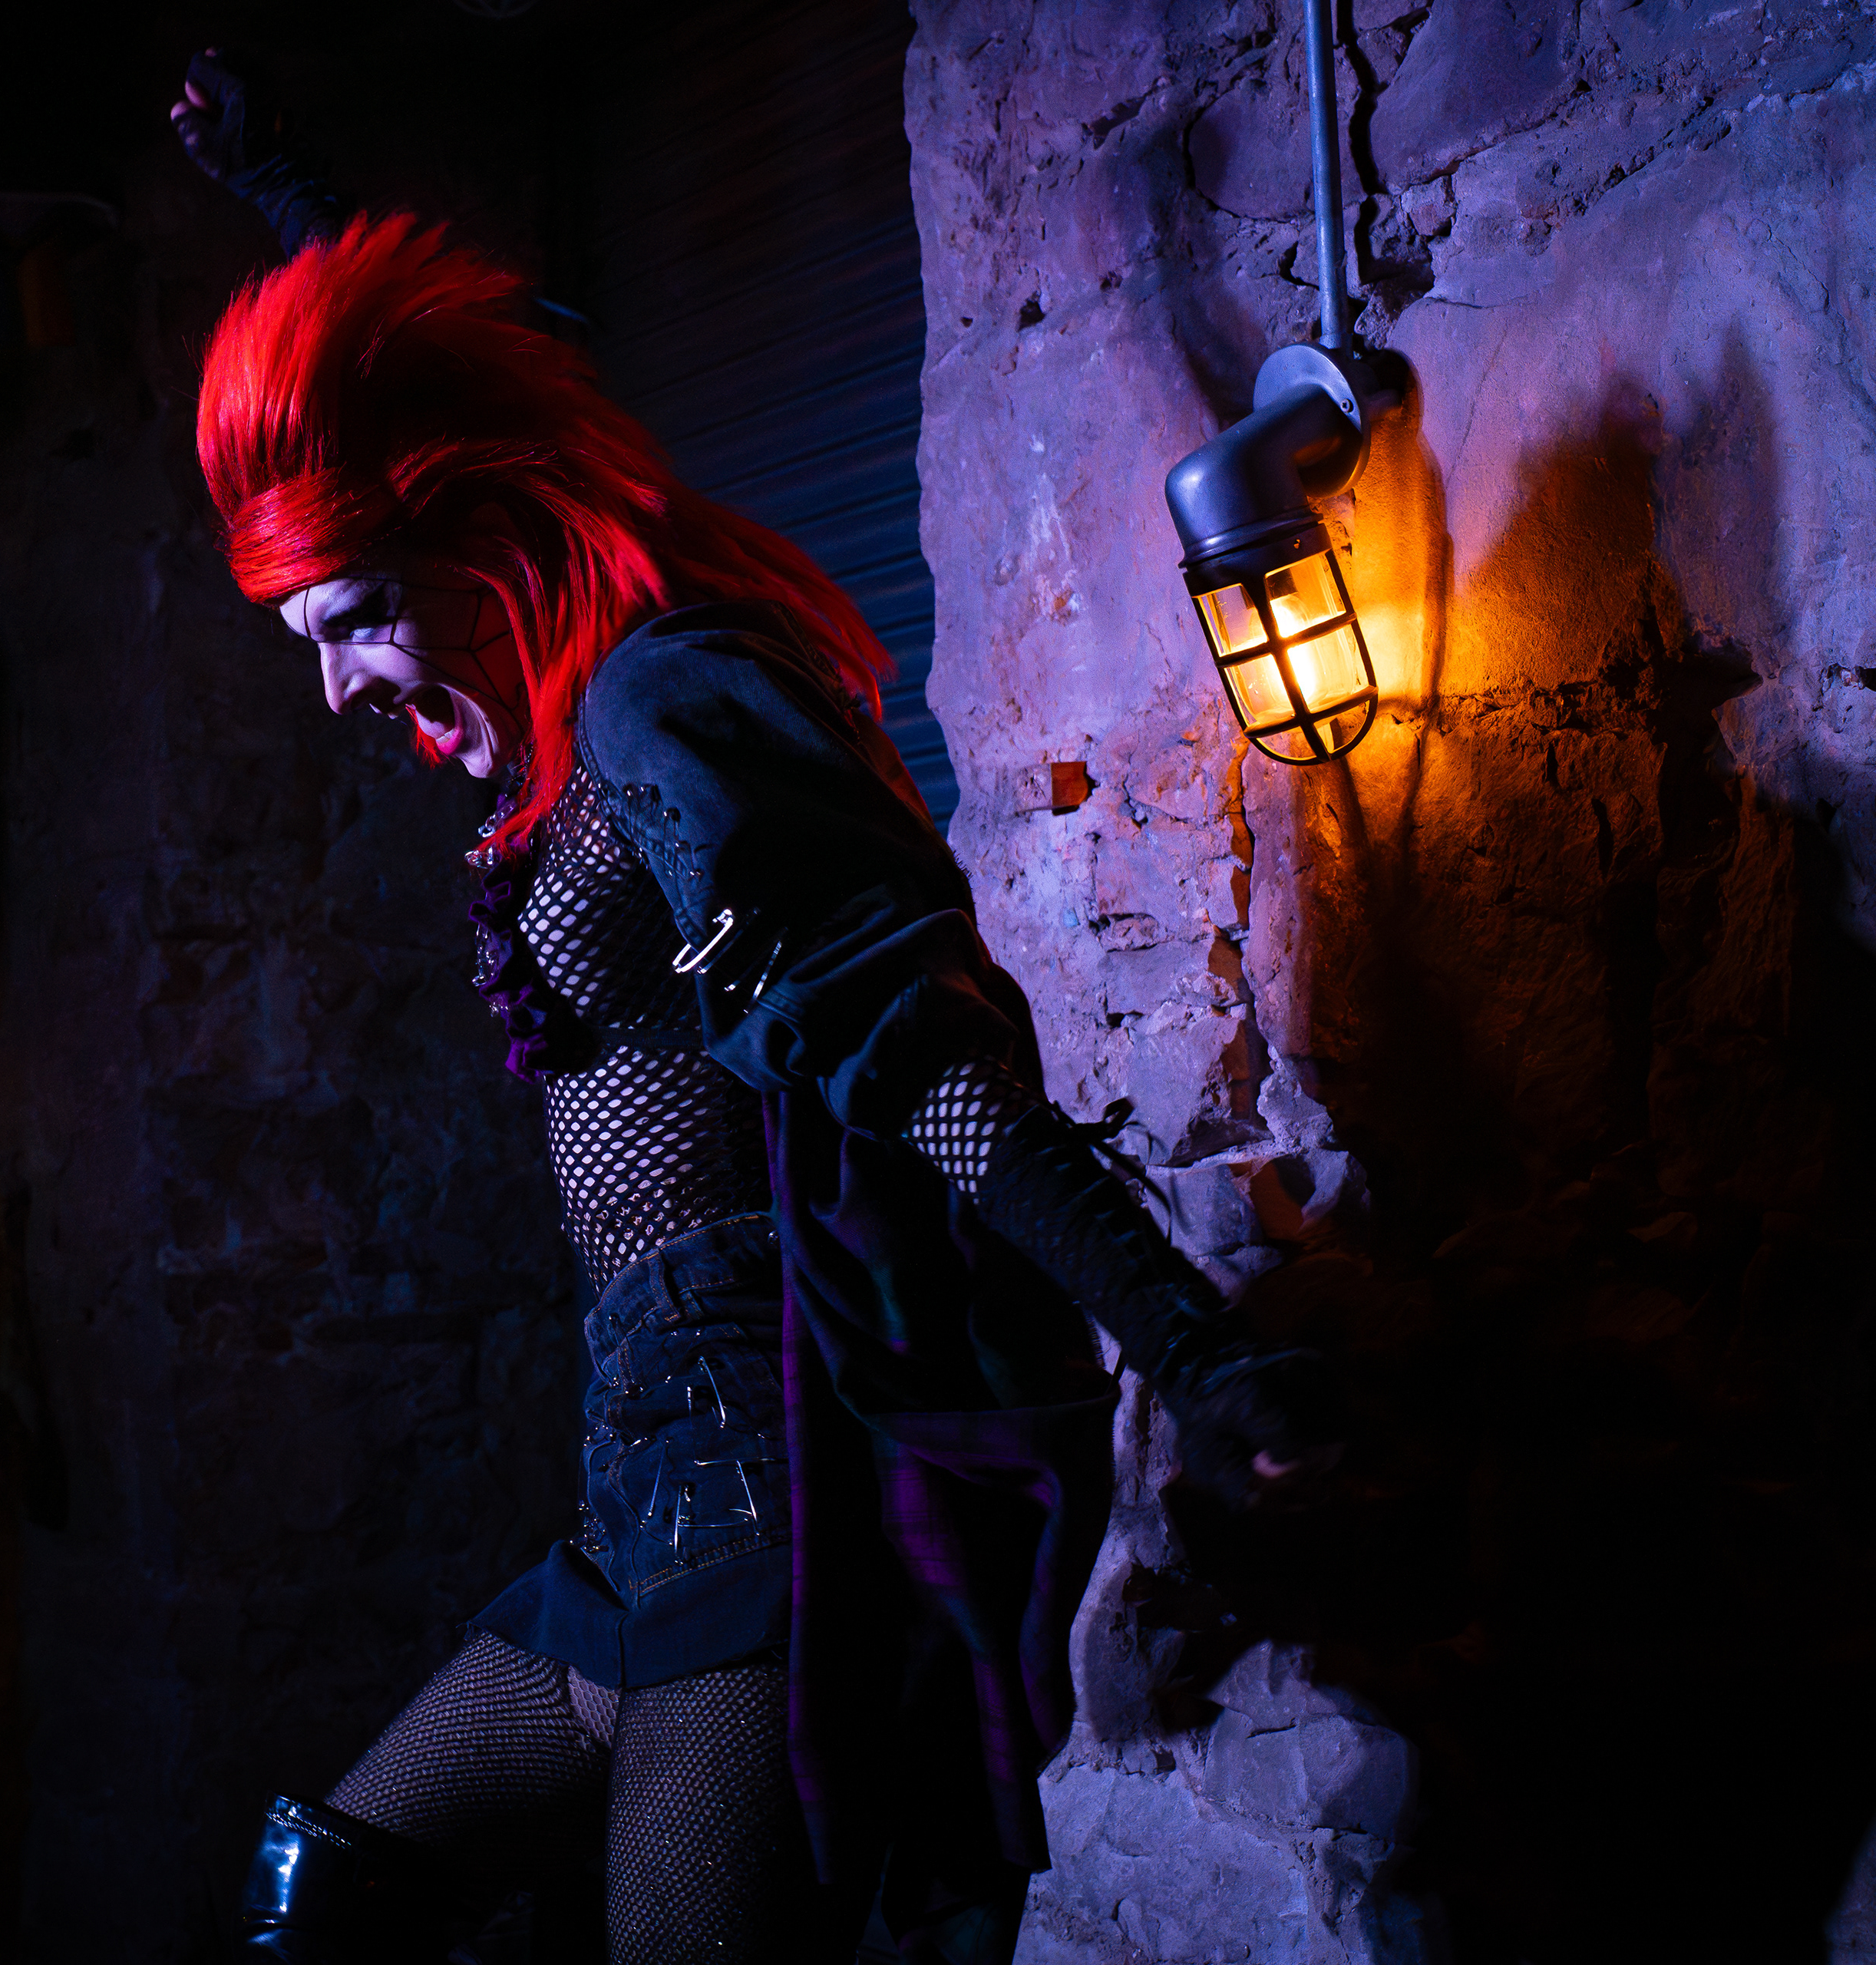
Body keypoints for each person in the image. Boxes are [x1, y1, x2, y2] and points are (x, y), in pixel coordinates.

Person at [173, 54, 1344, 1965]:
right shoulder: (573, 717)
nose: (339, 687)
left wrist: (1191, 1348)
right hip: (634, 1470)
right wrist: (302, 214)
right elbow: (509, 380)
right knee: (328, 1890)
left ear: (480, 533)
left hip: (754, 1491)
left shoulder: (663, 706)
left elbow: (914, 1058)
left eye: (355, 617)